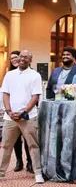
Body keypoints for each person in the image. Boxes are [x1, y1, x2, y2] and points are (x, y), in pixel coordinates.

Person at [0, 50, 44, 183]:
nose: (22, 59)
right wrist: (8, 111)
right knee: (6, 146)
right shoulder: (9, 74)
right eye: (21, 56)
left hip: (28, 116)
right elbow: (5, 93)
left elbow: (35, 96)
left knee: (33, 145)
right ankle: (1, 173)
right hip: (10, 117)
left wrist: (24, 111)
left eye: (26, 57)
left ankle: (38, 173)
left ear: (30, 60)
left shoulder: (35, 75)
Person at [8, 51, 33, 173]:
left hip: (26, 111)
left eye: (16, 57)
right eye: (11, 58)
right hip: (12, 111)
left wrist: (27, 109)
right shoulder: (10, 74)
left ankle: (30, 162)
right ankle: (19, 161)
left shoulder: (31, 74)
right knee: (16, 139)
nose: (14, 60)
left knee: (28, 138)